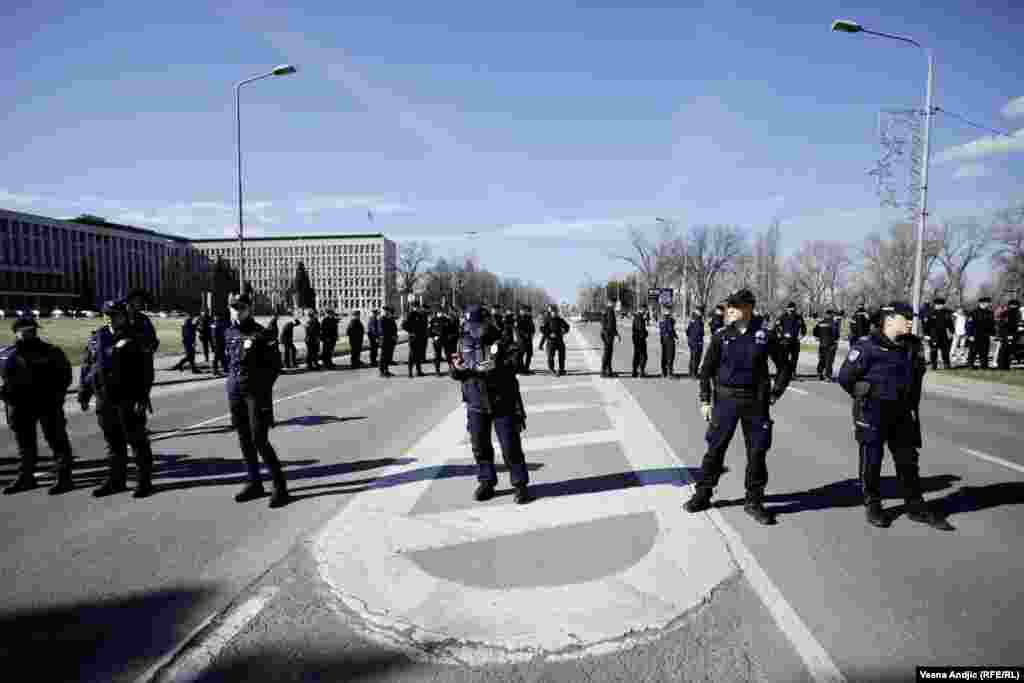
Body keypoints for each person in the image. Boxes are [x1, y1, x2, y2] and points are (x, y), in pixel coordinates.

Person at [837, 301, 952, 530]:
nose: (911, 322)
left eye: (912, 318)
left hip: (902, 413)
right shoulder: (867, 345)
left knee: (908, 461)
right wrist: (865, 396)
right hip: (873, 411)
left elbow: (917, 378)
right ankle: (873, 504)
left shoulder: (912, 346)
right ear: (889, 320)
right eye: (905, 317)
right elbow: (845, 377)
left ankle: (915, 506)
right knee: (872, 459)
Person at [685, 289, 792, 525]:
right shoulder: (721, 335)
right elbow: (706, 371)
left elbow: (785, 366)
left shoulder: (765, 335)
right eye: (728, 306)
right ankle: (703, 494)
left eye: (735, 306)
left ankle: (754, 501)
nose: (729, 310)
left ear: (749, 308)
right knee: (715, 449)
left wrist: (776, 392)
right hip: (725, 401)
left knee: (757, 452)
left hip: (756, 402)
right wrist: (704, 400)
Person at [450, 304, 531, 505]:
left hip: (501, 401)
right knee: (480, 446)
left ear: (486, 322)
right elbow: (456, 372)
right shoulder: (463, 341)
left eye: (476, 325)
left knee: (510, 446)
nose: (472, 329)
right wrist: (456, 368)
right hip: (475, 402)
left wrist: (495, 366)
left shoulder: (501, 340)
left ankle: (520, 485)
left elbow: (514, 364)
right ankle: (486, 481)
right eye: (469, 325)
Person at [78, 300, 156, 498]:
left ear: (124, 316)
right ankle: (116, 480)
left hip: (128, 397)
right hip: (105, 398)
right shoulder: (97, 338)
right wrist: (84, 391)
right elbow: (88, 366)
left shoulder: (136, 337)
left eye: (115, 314)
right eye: (107, 314)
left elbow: (146, 371)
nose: (111, 318)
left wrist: (142, 396)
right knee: (113, 442)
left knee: (137, 441)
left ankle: (144, 481)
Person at [224, 293, 290, 508]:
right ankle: (254, 482)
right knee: (244, 438)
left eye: (241, 307)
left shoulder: (262, 334)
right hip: (235, 391)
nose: (236, 311)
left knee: (259, 439)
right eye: (233, 307)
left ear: (249, 309)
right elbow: (231, 362)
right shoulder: (230, 331)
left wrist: (261, 390)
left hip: (255, 393)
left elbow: (275, 368)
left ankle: (280, 486)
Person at [1, 316, 75, 494]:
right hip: (19, 406)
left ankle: (64, 478)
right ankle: (26, 478)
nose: (30, 333)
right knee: (25, 444)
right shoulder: (6, 354)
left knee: (57, 441)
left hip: (47, 404)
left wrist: (56, 397)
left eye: (33, 330)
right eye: (26, 330)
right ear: (16, 332)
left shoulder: (51, 351)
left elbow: (65, 376)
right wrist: (6, 396)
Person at [124, 288, 159, 414]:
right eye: (139, 301)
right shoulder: (120, 318)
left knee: (141, 401)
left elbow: (154, 340)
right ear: (131, 302)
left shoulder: (144, 319)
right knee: (126, 403)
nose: (142, 304)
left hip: (144, 366)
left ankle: (140, 427)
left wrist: (150, 347)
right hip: (126, 368)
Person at [775, 302, 806, 378]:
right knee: (783, 358)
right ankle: (782, 373)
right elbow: (776, 326)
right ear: (787, 309)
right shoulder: (783, 316)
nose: (792, 311)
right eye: (791, 310)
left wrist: (801, 335)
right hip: (785, 340)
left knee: (794, 358)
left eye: (794, 309)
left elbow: (804, 328)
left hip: (795, 340)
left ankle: (792, 373)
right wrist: (780, 335)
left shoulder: (799, 317)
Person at [923, 297, 955, 370]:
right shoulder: (930, 313)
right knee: (934, 351)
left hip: (944, 334)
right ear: (935, 305)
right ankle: (933, 365)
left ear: (943, 305)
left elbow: (950, 324)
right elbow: (926, 325)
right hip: (933, 334)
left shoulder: (946, 313)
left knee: (945, 351)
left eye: (941, 304)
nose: (939, 306)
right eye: (937, 304)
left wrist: (952, 332)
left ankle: (946, 364)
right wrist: (926, 334)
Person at [539, 305, 570, 376]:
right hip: (551, 341)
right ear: (551, 312)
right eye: (553, 312)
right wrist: (549, 334)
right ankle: (551, 370)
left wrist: (564, 332)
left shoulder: (560, 320)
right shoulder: (547, 320)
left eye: (556, 312)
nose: (555, 313)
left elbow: (567, 327)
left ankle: (561, 369)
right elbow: (542, 329)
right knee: (550, 356)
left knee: (562, 355)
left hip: (559, 340)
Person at [966, 296, 996, 370]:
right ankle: (970, 365)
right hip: (975, 334)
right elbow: (968, 325)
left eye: (987, 303)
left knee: (984, 351)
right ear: (980, 303)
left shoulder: (990, 312)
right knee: (973, 351)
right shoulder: (973, 312)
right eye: (985, 303)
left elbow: (992, 325)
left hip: (985, 335)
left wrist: (992, 334)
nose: (987, 304)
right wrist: (970, 335)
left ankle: (984, 366)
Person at [402, 301, 428, 378]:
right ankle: (410, 372)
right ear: (413, 307)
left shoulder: (420, 315)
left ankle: (418, 371)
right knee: (412, 355)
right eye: (415, 307)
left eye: (417, 307)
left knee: (419, 355)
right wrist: (411, 332)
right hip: (413, 338)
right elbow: (404, 325)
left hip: (420, 337)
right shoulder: (410, 314)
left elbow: (423, 325)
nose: (417, 308)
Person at [813, 309, 839, 381]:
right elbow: (835, 333)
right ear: (831, 314)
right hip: (830, 344)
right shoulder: (833, 322)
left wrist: (817, 337)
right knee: (829, 361)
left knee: (822, 359)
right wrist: (836, 342)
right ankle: (827, 376)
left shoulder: (821, 323)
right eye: (832, 314)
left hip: (822, 344)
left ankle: (820, 373)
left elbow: (815, 331)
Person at [997, 299, 1021, 370]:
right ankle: (1002, 366)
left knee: (1008, 351)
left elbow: (1016, 324)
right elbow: (1003, 324)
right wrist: (1007, 335)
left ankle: (1006, 366)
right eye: (1013, 305)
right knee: (1004, 351)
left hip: (1013, 334)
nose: (1014, 306)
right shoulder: (1006, 313)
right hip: (1007, 334)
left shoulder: (1017, 313)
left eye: (1015, 305)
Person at [600, 301, 619, 377]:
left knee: (607, 353)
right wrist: (616, 334)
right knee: (608, 353)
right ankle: (604, 371)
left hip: (605, 333)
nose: (615, 305)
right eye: (615, 303)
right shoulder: (610, 310)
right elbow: (611, 324)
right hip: (608, 334)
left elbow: (603, 322)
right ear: (612, 303)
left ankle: (608, 370)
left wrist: (616, 333)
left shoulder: (606, 310)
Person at [515, 305, 536, 374]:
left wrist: (533, 333)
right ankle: (520, 369)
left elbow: (532, 326)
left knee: (530, 353)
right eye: (524, 310)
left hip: (529, 338)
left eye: (526, 310)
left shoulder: (529, 317)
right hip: (521, 339)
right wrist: (524, 334)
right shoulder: (517, 318)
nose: (526, 312)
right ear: (521, 311)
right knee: (521, 354)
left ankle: (526, 368)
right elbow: (517, 329)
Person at [686, 307, 705, 379]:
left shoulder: (694, 320)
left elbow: (688, 331)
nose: (700, 313)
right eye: (699, 311)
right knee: (696, 358)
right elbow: (698, 332)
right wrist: (697, 340)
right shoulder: (697, 320)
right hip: (696, 342)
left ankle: (691, 372)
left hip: (693, 341)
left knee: (693, 357)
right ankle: (694, 373)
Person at [659, 308, 678, 378]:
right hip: (669, 339)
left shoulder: (662, 319)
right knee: (670, 356)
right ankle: (670, 373)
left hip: (663, 339)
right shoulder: (669, 320)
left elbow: (662, 329)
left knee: (664, 355)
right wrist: (676, 337)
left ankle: (663, 372)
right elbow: (670, 330)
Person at [379, 306, 398, 377]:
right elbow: (382, 330)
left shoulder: (389, 319)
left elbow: (393, 328)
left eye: (388, 311)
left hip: (390, 340)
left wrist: (394, 336)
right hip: (384, 340)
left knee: (387, 356)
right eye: (385, 311)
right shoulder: (382, 319)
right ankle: (381, 371)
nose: (387, 312)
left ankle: (386, 370)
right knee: (383, 356)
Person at [429, 309, 448, 375]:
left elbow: (450, 328)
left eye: (442, 312)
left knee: (448, 355)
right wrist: (432, 337)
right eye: (440, 312)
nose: (441, 313)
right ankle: (437, 371)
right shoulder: (433, 320)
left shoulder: (446, 319)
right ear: (437, 313)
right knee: (437, 356)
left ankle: (451, 369)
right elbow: (430, 330)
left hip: (446, 340)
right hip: (437, 340)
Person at [631, 306, 649, 378]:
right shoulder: (639, 317)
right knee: (643, 356)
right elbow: (641, 329)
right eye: (645, 310)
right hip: (640, 340)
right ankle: (641, 372)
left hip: (636, 339)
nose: (646, 312)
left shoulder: (637, 316)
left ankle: (635, 372)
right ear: (643, 309)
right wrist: (645, 334)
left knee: (637, 355)